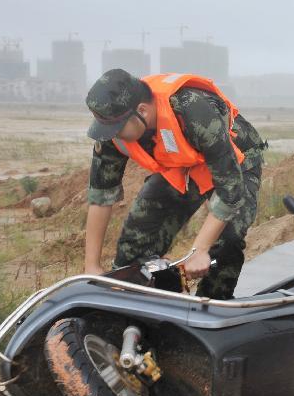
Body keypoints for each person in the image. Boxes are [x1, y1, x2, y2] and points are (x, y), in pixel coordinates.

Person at [83, 68, 264, 299]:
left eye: (117, 129)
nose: (112, 136)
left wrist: (200, 250)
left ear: (142, 111)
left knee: (226, 241)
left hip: (236, 161)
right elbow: (101, 196)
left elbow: (230, 190)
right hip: (182, 165)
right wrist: (92, 266)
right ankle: (142, 310)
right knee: (135, 243)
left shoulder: (192, 109)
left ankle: (213, 309)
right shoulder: (112, 130)